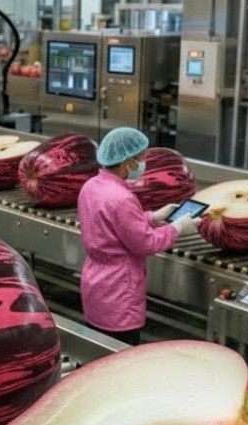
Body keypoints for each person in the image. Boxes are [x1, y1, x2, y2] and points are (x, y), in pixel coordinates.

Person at [77, 127, 200, 346]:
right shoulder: (122, 198)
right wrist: (178, 227)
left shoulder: (91, 186)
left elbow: (113, 223)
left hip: (95, 284)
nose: (142, 164)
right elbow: (146, 243)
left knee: (98, 354)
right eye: (141, 159)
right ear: (127, 162)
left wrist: (153, 216)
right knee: (121, 356)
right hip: (119, 293)